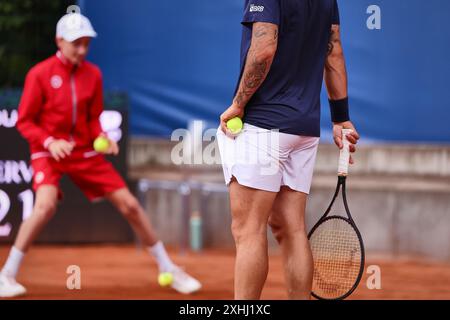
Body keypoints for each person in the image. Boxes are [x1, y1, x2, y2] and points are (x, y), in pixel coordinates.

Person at [0, 13, 201, 298]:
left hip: (83, 151)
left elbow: (93, 118)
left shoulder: (93, 74)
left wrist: (101, 136)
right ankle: (6, 274)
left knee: (130, 205)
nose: (82, 49)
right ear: (59, 41)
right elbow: (25, 121)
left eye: (86, 43)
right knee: (44, 207)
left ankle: (169, 268)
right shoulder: (39, 74)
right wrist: (50, 141)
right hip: (48, 151)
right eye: (75, 43)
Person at [217, 0, 360, 300]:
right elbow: (333, 51)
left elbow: (264, 47)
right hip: (305, 129)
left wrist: (239, 104)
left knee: (248, 231)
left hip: (263, 125)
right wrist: (341, 117)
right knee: (290, 229)